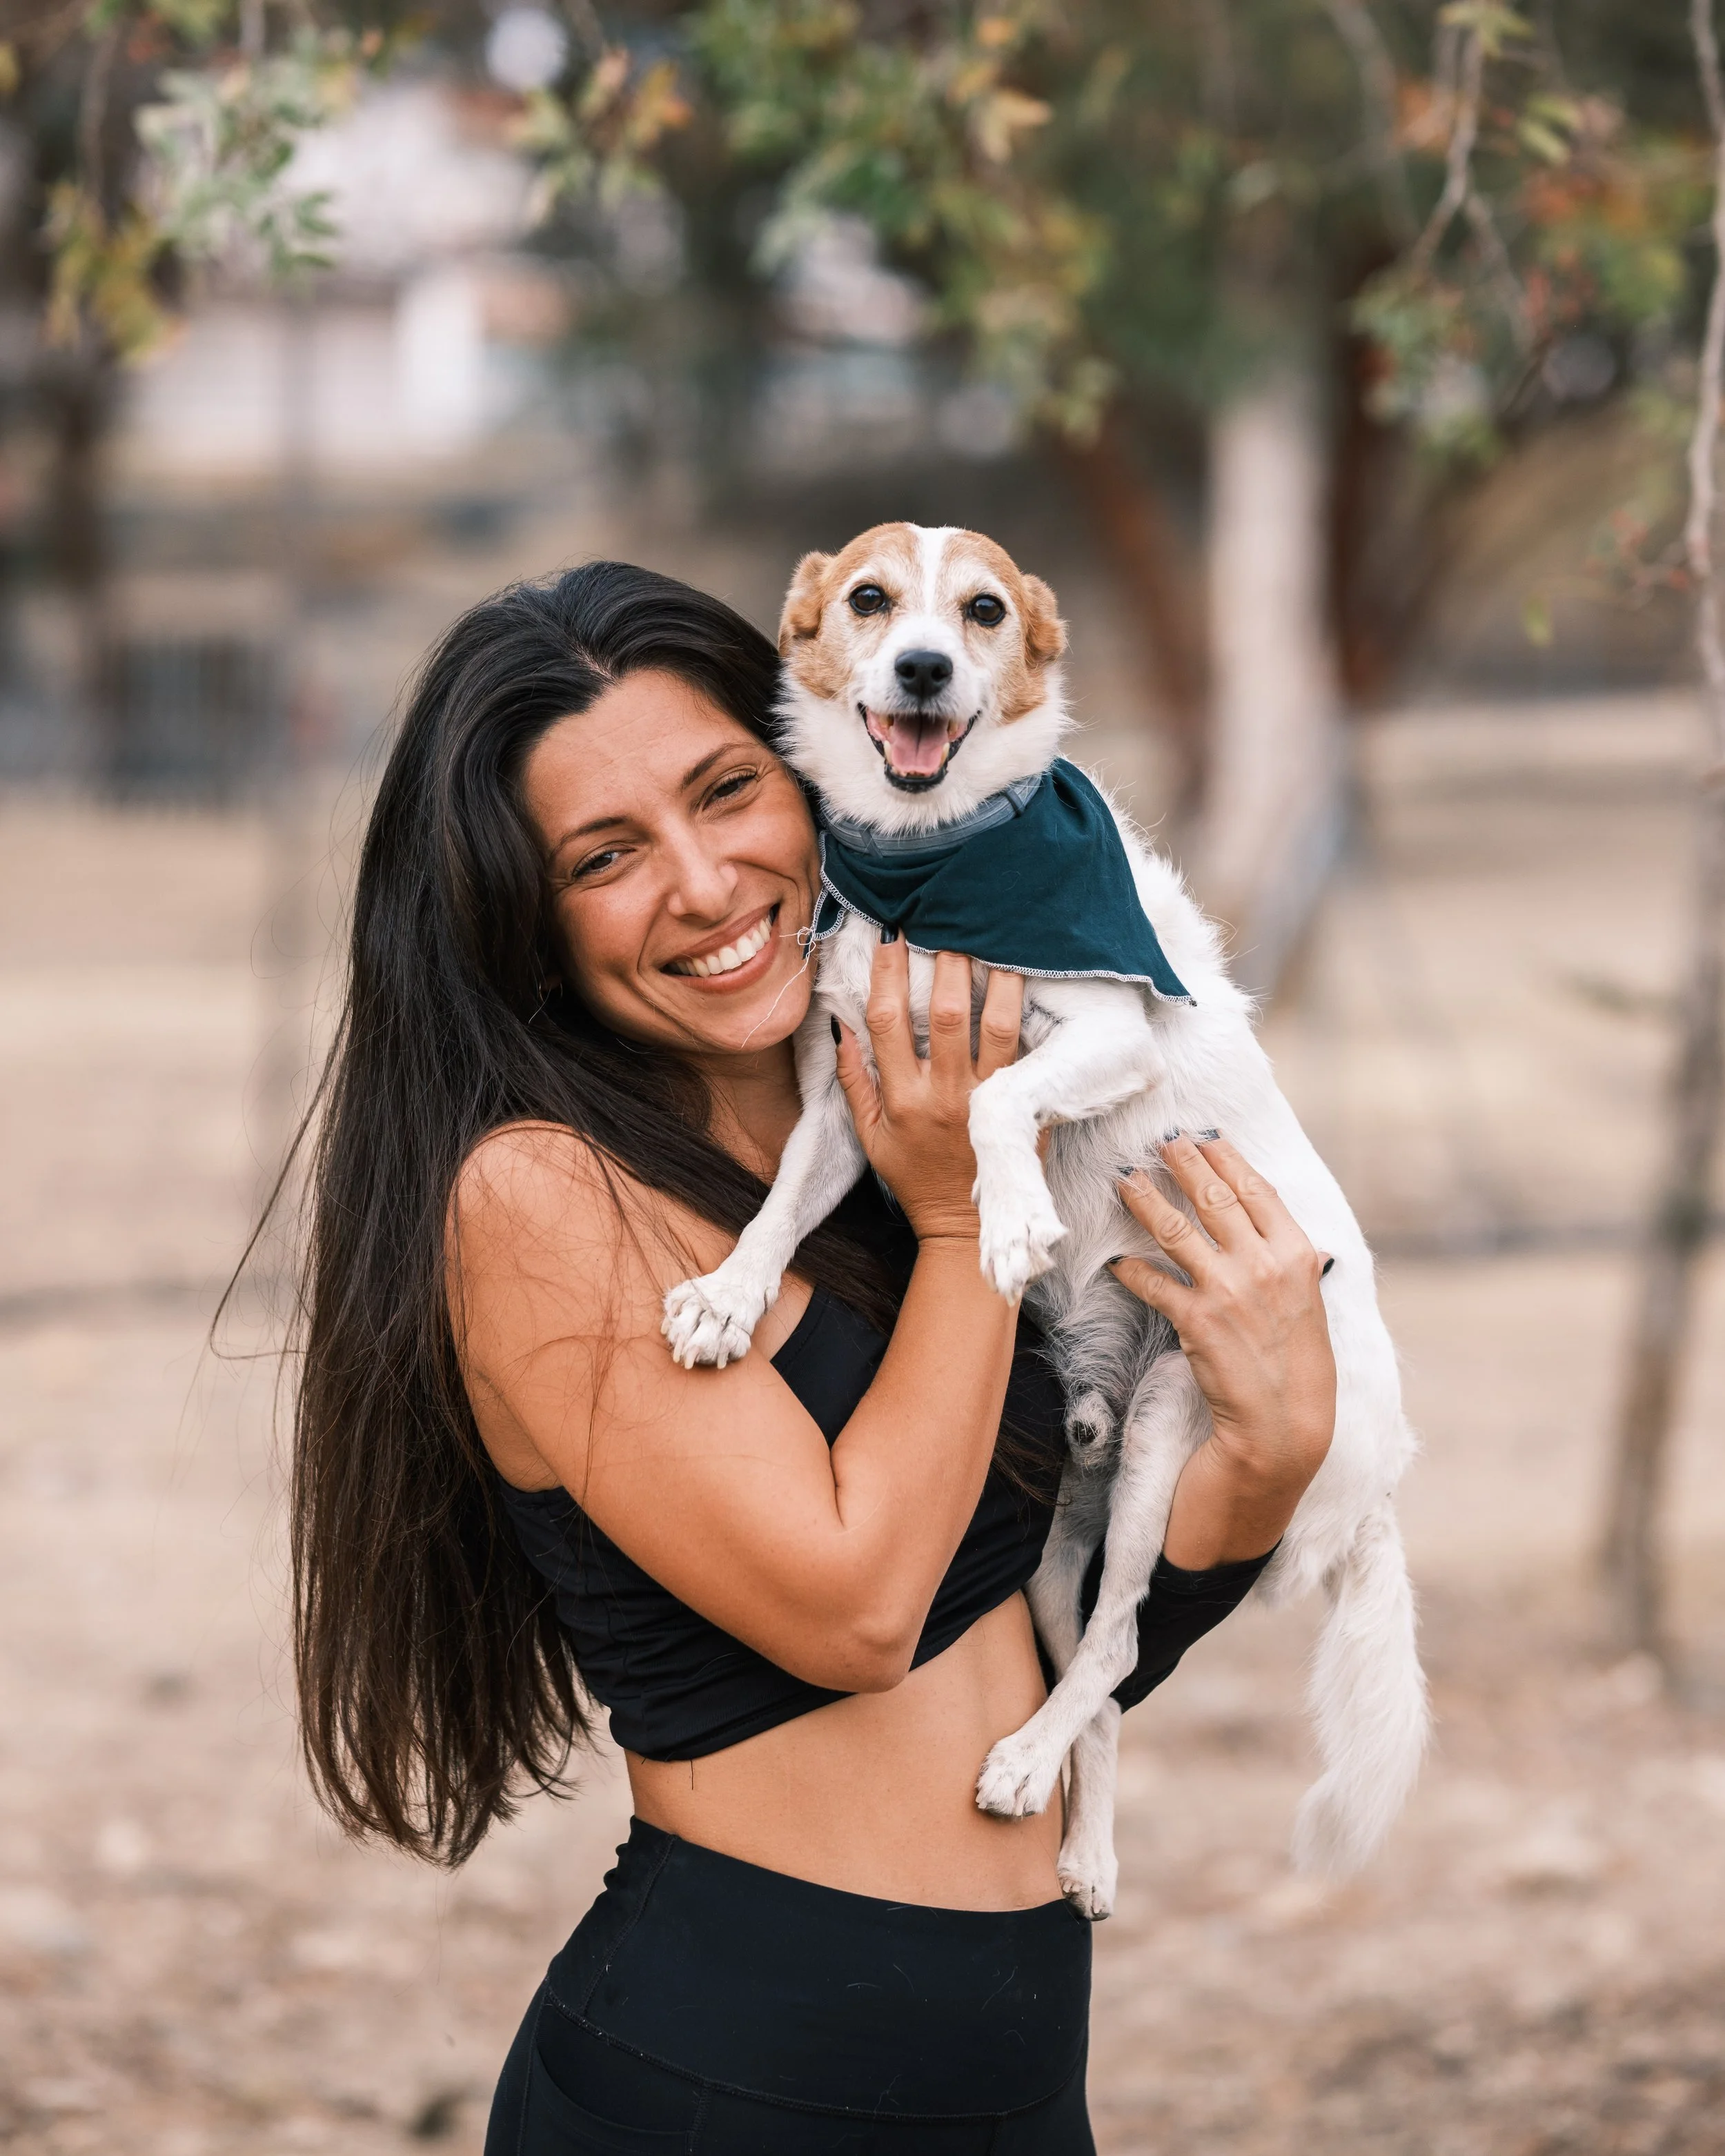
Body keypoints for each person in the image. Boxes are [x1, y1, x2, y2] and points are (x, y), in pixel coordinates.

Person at [288, 561, 1337, 2153]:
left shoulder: (882, 1100)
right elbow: (857, 1608)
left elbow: (1023, 1652)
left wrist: (1264, 1452)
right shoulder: (541, 1196)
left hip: (1017, 2091)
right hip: (729, 2087)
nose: (706, 882)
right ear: (524, 919)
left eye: (727, 791)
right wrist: (954, 1212)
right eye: (604, 855)